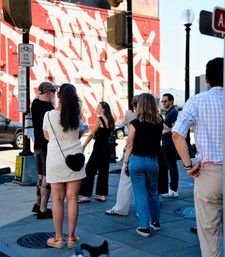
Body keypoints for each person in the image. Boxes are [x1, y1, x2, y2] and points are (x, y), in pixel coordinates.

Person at [172, 57, 223, 257]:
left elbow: (177, 134)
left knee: (209, 232)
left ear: (207, 79)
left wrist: (188, 165)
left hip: (209, 173)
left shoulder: (197, 101)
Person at [43, 83, 86, 249]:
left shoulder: (48, 115)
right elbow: (81, 133)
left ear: (59, 96)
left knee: (57, 199)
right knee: (73, 198)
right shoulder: (77, 115)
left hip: (55, 160)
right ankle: (71, 238)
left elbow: (47, 136)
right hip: (75, 160)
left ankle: (59, 238)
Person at [123, 93, 163, 237]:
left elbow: (129, 144)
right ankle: (156, 222)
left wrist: (126, 162)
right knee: (153, 192)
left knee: (140, 194)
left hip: (137, 160)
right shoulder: (159, 122)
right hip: (152, 161)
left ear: (140, 105)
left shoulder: (135, 123)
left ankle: (144, 227)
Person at [105, 95, 139, 216]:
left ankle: (121, 208)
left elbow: (129, 139)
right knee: (143, 185)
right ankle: (142, 210)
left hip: (133, 153)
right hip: (149, 154)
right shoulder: (154, 118)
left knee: (125, 181)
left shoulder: (133, 118)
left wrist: (126, 161)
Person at [79, 101, 115, 203]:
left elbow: (91, 134)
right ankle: (102, 195)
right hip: (107, 147)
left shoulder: (99, 119)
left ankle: (86, 195)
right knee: (104, 171)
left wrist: (84, 145)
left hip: (99, 147)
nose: (96, 108)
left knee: (90, 169)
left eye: (98, 106)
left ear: (103, 109)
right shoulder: (111, 119)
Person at [31, 81, 56, 219]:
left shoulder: (34, 104)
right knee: (47, 177)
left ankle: (37, 203)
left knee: (40, 176)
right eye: (52, 93)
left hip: (37, 146)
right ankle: (43, 209)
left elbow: (36, 96)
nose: (54, 95)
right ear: (48, 93)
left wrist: (41, 91)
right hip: (47, 147)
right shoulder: (49, 108)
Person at [161, 93, 179, 198]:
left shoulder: (173, 112)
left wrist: (164, 131)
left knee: (171, 166)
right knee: (170, 166)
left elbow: (176, 128)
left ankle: (173, 190)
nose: (163, 103)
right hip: (167, 143)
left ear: (171, 101)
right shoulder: (169, 112)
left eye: (165, 101)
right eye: (162, 101)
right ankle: (172, 189)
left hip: (170, 144)